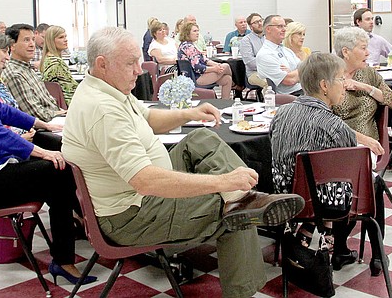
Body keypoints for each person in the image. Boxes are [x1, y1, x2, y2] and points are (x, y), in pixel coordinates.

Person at [61, 27, 304, 298]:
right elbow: (145, 180)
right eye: (130, 63)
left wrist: (190, 112)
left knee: (200, 138)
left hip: (140, 196)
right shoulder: (103, 110)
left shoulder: (107, 88)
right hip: (132, 215)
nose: (138, 71)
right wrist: (223, 182)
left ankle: (242, 197)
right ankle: (242, 213)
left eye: (137, 62)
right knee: (233, 213)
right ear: (102, 64)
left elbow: (149, 119)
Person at [0, 34, 95, 286]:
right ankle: (80, 233)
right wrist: (45, 154)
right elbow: (1, 136)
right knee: (58, 169)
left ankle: (77, 229)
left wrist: (44, 125)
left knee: (55, 148)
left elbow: (8, 113)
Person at [270, 53, 388, 276]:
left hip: (287, 197)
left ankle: (316, 232)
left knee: (322, 178)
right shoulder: (334, 125)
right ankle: (377, 255)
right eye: (340, 79)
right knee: (373, 184)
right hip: (323, 204)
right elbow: (350, 173)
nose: (344, 85)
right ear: (325, 85)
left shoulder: (281, 114)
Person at [332, 27, 392, 141]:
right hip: (338, 143)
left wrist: (366, 87)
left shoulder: (369, 73)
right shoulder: (330, 76)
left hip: (370, 145)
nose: (368, 53)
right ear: (345, 52)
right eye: (363, 48)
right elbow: (322, 118)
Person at [2, 23, 66, 121]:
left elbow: (50, 103)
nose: (32, 44)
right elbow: (35, 114)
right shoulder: (14, 74)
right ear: (12, 45)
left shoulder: (28, 69)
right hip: (43, 128)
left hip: (56, 118)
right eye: (26, 40)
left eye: (33, 39)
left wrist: (63, 112)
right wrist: (61, 113)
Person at [0, 29, 35, 141]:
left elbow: (11, 112)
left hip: (20, 137)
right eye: (4, 51)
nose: (8, 57)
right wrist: (21, 138)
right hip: (11, 147)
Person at [178, 21, 233, 99]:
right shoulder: (188, 47)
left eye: (198, 31)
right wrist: (214, 69)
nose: (197, 33)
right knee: (226, 66)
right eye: (194, 31)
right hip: (196, 78)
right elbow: (197, 67)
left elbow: (204, 59)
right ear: (187, 33)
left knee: (227, 79)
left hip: (200, 75)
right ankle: (236, 85)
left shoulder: (189, 45)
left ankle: (225, 103)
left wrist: (216, 65)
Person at [256, 15, 302, 95]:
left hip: (302, 90)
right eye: (280, 26)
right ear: (268, 29)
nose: (284, 30)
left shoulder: (286, 50)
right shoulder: (265, 54)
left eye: (284, 26)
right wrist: (298, 73)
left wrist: (292, 72)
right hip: (291, 97)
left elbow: (305, 68)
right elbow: (289, 80)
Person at [40, 25, 79, 105]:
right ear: (51, 41)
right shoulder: (56, 62)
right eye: (61, 37)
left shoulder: (47, 59)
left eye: (65, 36)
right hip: (70, 104)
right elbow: (72, 88)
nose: (65, 40)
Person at [239, 13, 267, 88]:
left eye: (260, 21)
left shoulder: (269, 37)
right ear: (251, 27)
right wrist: (268, 65)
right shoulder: (246, 40)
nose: (260, 23)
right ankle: (268, 100)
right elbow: (250, 62)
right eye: (256, 22)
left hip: (271, 70)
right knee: (269, 84)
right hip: (254, 73)